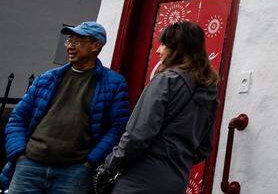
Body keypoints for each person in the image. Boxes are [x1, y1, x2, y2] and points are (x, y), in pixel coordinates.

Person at [2, 22, 130, 193]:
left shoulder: (114, 83)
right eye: (69, 41)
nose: (70, 46)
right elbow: (18, 117)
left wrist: (90, 162)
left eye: (77, 42)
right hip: (30, 165)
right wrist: (18, 153)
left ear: (96, 45)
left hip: (73, 172)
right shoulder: (47, 78)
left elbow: (117, 128)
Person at [94, 21, 219, 194]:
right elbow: (205, 147)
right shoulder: (210, 91)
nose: (159, 50)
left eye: (164, 44)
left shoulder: (166, 81)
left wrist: (109, 166)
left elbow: (138, 135)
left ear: (177, 50)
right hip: (177, 180)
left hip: (140, 179)